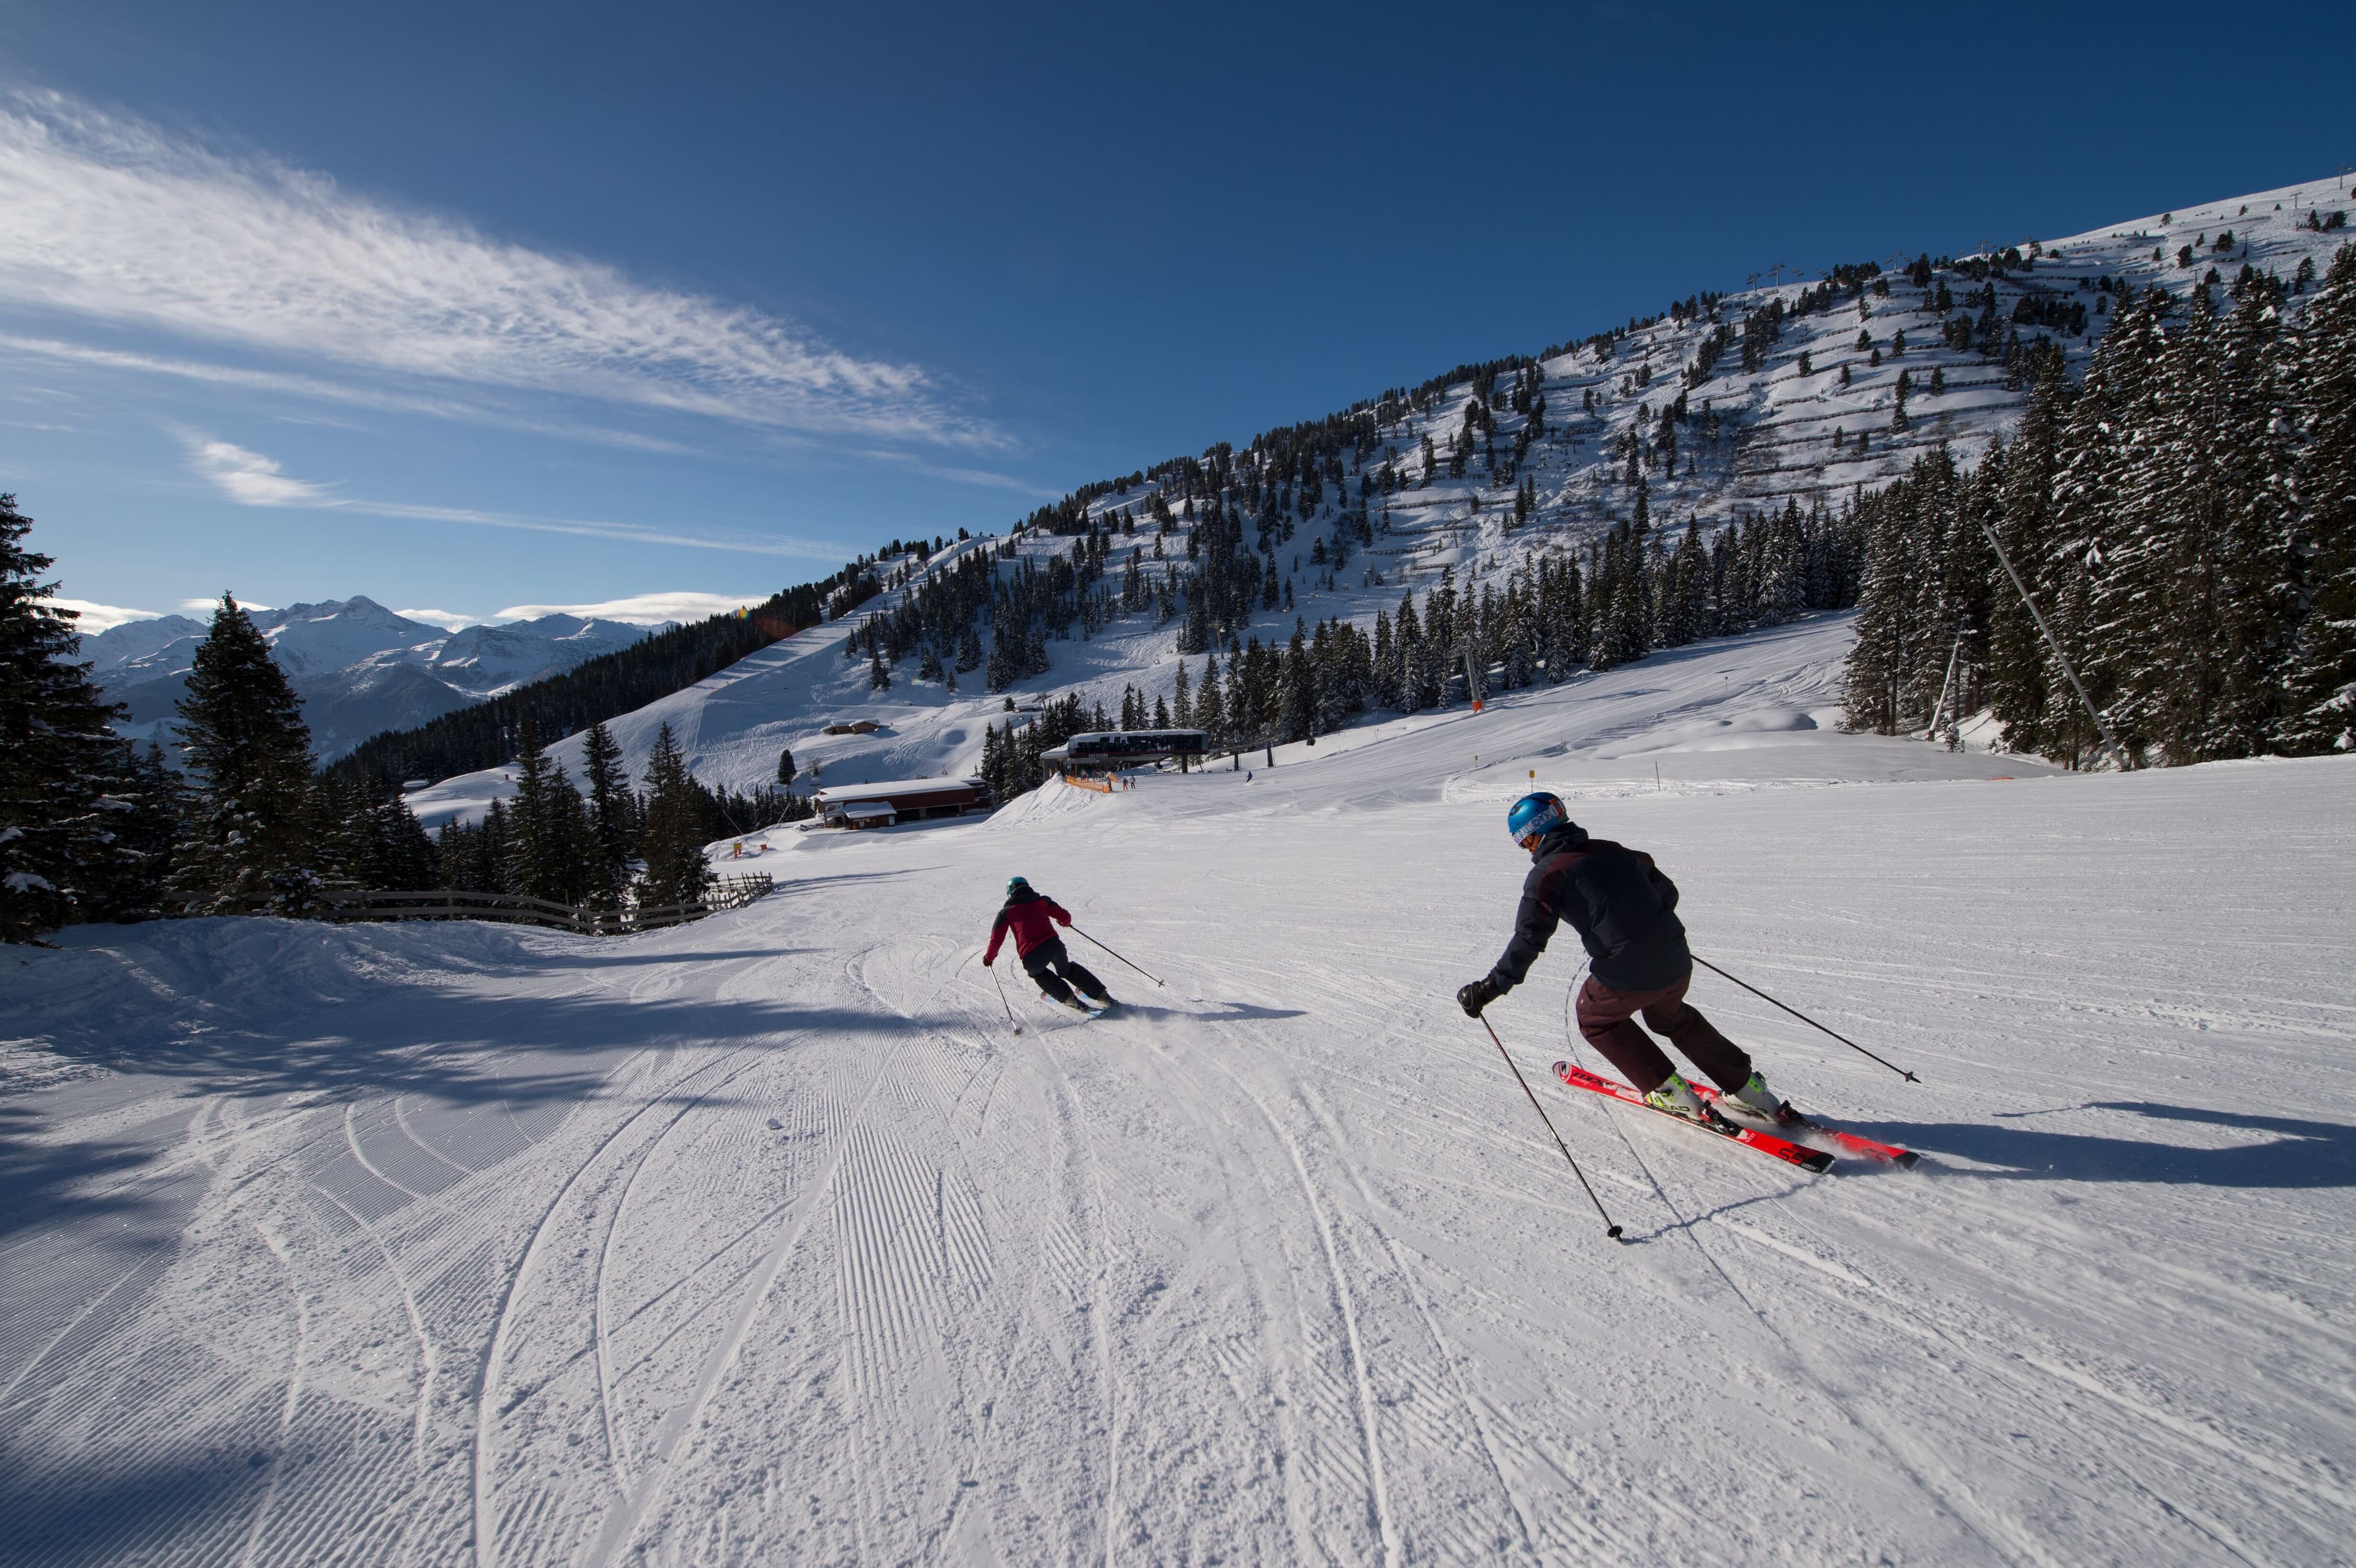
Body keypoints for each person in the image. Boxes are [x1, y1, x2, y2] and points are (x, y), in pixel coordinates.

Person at [1456, 793, 1785, 1124]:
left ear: (1533, 834)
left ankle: (1668, 1091)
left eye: (1523, 842)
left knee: (1594, 1017)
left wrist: (1490, 988)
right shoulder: (1614, 850)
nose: (1526, 850)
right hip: (1675, 959)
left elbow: (1529, 938)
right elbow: (1667, 893)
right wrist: (1647, 929)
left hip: (1627, 974)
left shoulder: (1547, 874)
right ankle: (1748, 1089)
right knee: (1671, 1018)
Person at [984, 877, 1114, 1010]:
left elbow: (996, 941)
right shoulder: (1042, 901)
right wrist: (1064, 923)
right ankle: (1103, 996)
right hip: (1055, 946)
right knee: (1066, 970)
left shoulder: (1006, 913)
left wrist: (988, 959)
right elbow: (1065, 917)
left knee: (1038, 973)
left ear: (1010, 894)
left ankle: (1070, 999)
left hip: (1032, 955)